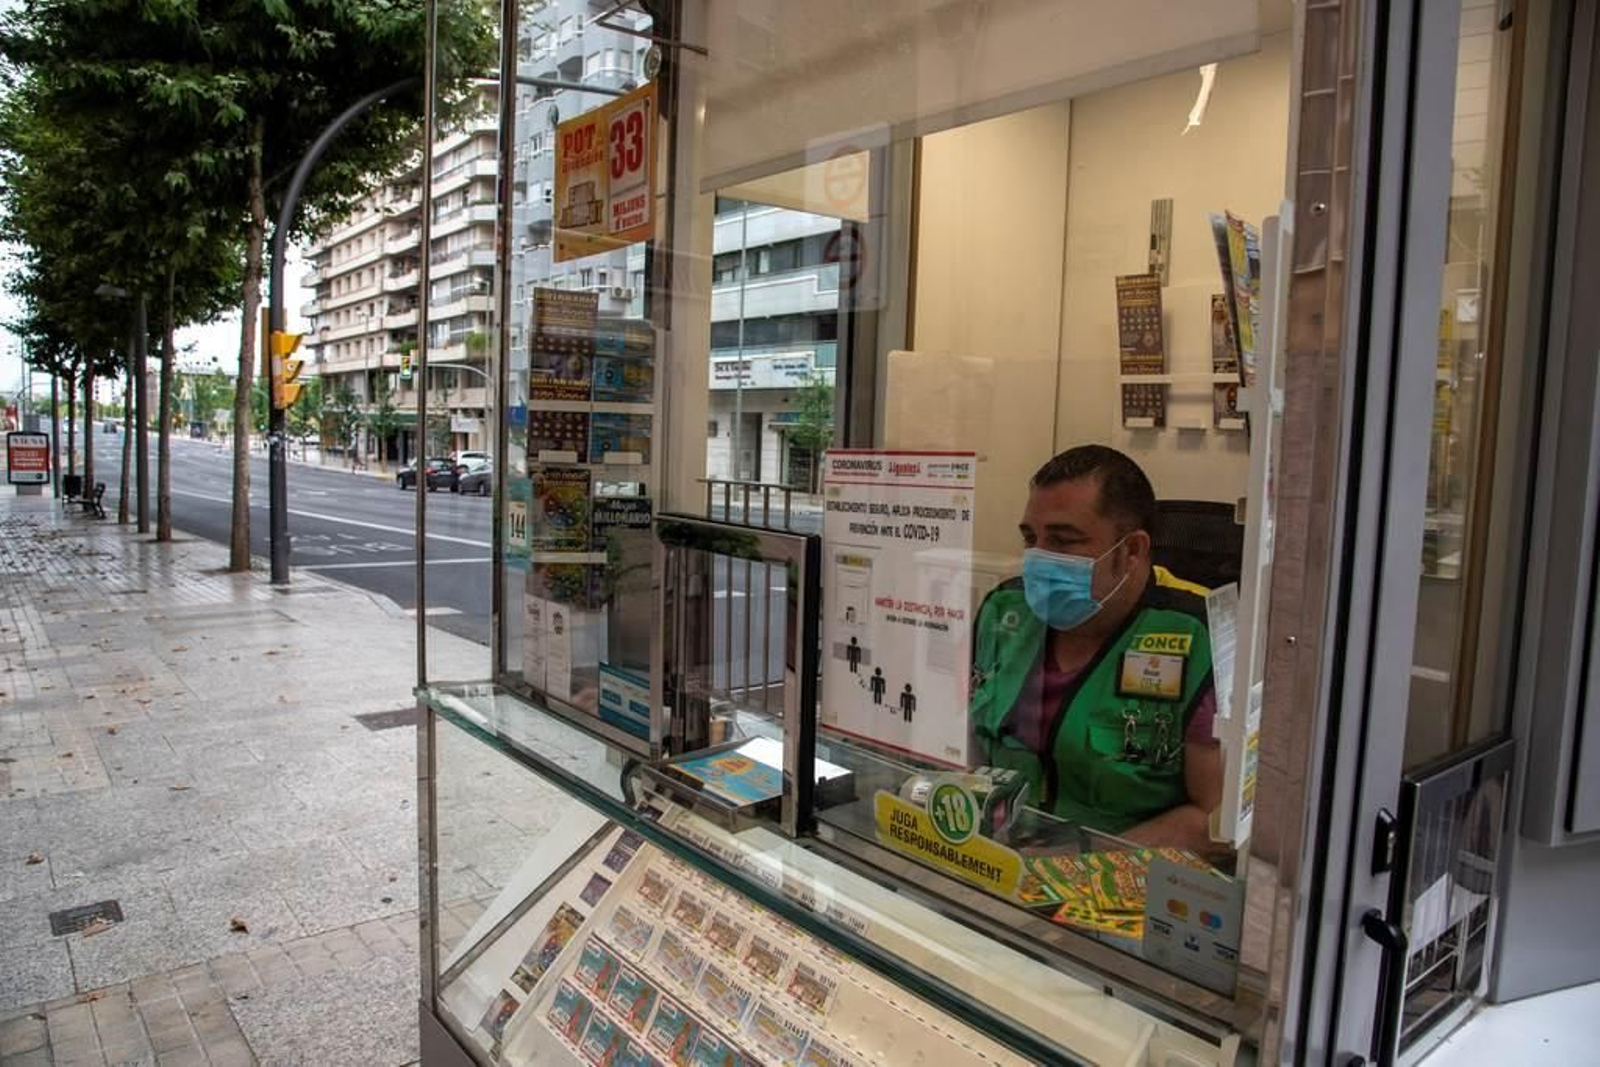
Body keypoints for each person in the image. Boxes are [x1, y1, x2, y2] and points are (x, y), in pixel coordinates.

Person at [969, 445, 1222, 853]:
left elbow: (1214, 816)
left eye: (1064, 541)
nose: (1039, 559)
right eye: (1031, 539)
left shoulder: (1199, 635)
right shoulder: (1005, 612)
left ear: (1131, 551)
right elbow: (967, 748)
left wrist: (1079, 859)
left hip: (1119, 878)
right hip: (997, 859)